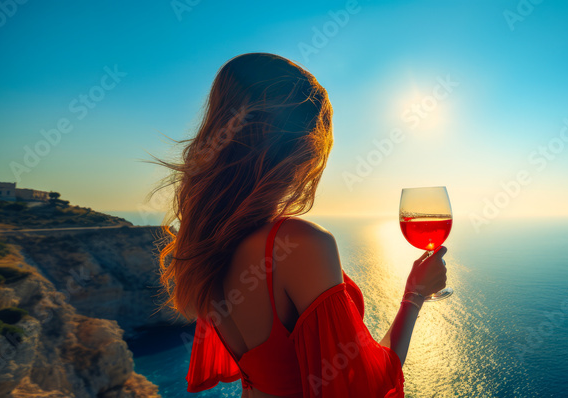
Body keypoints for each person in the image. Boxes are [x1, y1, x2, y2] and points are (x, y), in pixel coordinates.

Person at [154, 52, 448, 397]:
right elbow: (365, 386)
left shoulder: (207, 242)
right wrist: (414, 296)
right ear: (304, 149)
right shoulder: (296, 244)